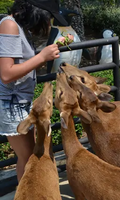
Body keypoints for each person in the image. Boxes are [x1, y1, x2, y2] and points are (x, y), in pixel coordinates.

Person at [0, 0, 68, 182]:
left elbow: (22, 64)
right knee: (29, 158)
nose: (47, 24)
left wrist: (44, 56)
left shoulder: (19, 27)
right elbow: (6, 74)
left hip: (20, 102)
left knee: (29, 157)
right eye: (47, 18)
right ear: (36, 11)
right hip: (12, 104)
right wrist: (41, 57)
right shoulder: (9, 25)